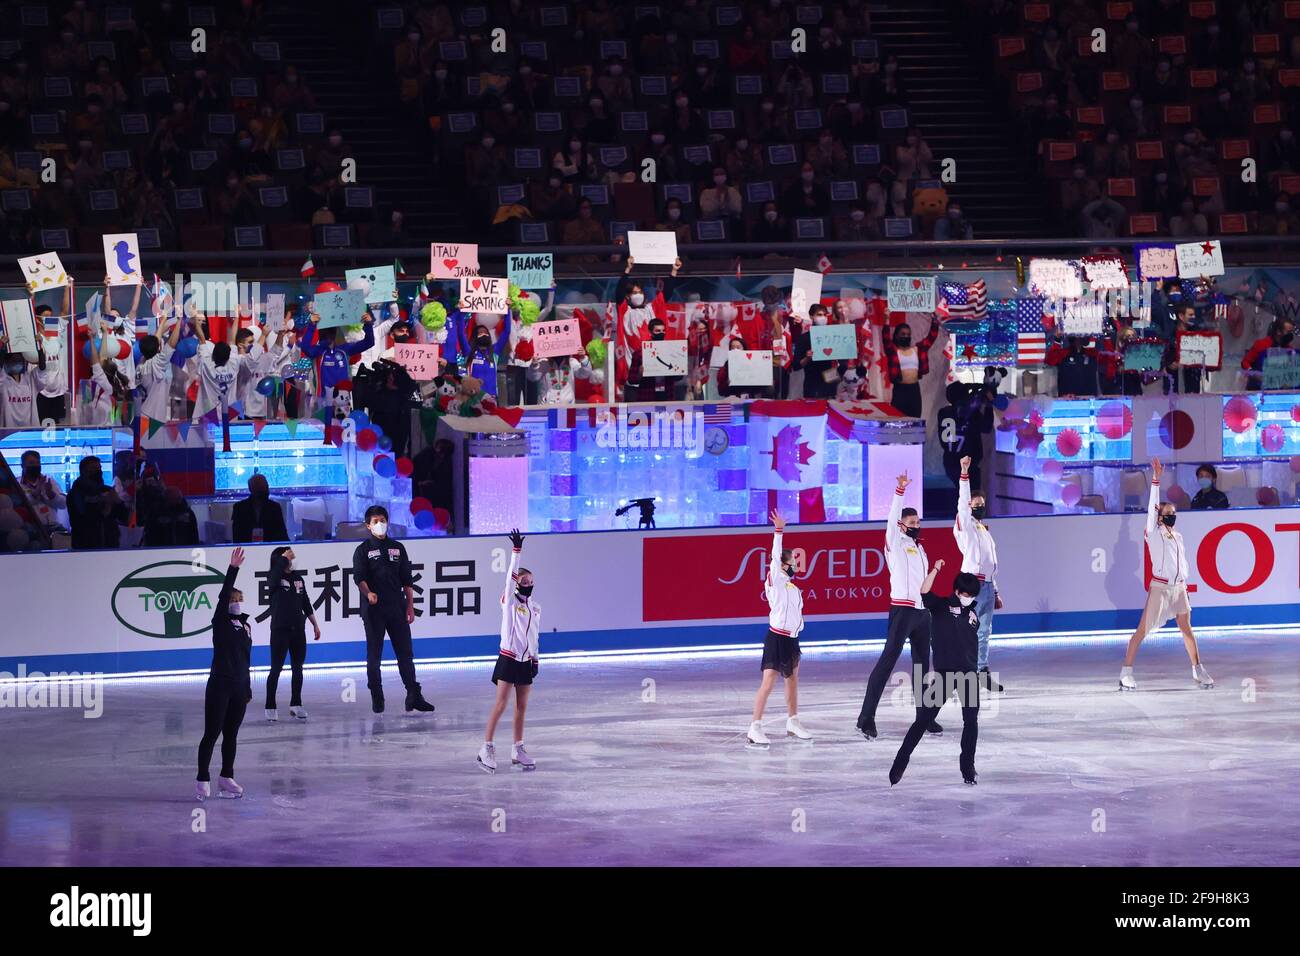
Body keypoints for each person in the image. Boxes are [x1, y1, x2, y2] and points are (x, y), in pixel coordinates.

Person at [856, 471, 939, 739]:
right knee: (887, 661)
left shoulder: (922, 549)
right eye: (912, 521)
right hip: (902, 610)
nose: (917, 524)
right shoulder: (895, 542)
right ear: (902, 525)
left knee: (922, 666)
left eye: (918, 521)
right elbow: (892, 518)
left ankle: (924, 717)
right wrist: (899, 491)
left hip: (922, 612)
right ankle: (866, 718)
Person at [1119, 458, 1214, 691]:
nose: (1172, 516)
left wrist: (1185, 588)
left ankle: (1197, 669)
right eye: (1168, 513)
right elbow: (1152, 507)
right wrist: (1156, 480)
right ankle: (1126, 672)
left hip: (1179, 588)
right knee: (1142, 630)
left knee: (1187, 629)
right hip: (1160, 589)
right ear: (1160, 517)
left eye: (1174, 513)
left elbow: (1182, 565)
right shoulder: (1153, 533)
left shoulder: (1178, 536)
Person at [890, 565, 981, 786]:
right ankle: (900, 762)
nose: (969, 598)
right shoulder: (941, 606)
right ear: (957, 591)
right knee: (923, 719)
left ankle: (967, 767)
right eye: (966, 594)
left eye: (972, 595)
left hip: (969, 674)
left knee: (970, 722)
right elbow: (924, 591)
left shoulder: (973, 613)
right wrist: (936, 570)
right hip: (945, 675)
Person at [352, 505, 434, 714]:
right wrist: (368, 593)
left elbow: (407, 579)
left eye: (382, 520)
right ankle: (377, 696)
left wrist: (410, 606)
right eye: (375, 521)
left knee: (405, 653)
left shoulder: (398, 547)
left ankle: (414, 695)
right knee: (374, 654)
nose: (380, 524)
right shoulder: (362, 550)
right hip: (373, 610)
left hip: (396, 607)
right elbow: (359, 578)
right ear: (368, 526)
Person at [746, 510, 812, 746]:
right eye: (793, 562)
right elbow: (775, 556)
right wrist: (779, 530)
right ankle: (755, 726)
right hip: (776, 638)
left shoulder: (793, 587)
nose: (797, 565)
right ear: (783, 564)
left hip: (792, 639)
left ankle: (793, 721)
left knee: (792, 680)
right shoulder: (775, 578)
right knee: (769, 682)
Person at [477, 529, 540, 773]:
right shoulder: (510, 604)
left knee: (521, 707)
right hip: (508, 659)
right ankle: (487, 747)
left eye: (531, 582)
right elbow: (509, 578)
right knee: (501, 704)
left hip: (525, 662)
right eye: (525, 582)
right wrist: (516, 553)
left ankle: (518, 749)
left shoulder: (535, 608)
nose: (529, 585)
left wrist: (535, 658)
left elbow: (535, 636)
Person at [196, 547, 252, 801]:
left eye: (238, 598)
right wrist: (233, 568)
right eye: (232, 600)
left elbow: (246, 659)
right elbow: (222, 596)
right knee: (212, 732)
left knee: (232, 733)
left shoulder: (246, 626)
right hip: (220, 684)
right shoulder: (220, 623)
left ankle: (226, 776)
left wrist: (248, 687)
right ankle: (202, 777)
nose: (236, 603)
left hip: (240, 686)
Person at [954, 456, 1003, 691]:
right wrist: (965, 473)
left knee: (984, 631)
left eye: (982, 503)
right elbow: (962, 504)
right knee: (967, 629)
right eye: (975, 504)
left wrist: (996, 590)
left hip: (987, 586)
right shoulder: (965, 525)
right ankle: (963, 672)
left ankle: (981, 670)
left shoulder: (983, 529)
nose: (979, 507)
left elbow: (991, 563)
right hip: (971, 585)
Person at [264, 545, 321, 721]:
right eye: (286, 555)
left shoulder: (298, 578)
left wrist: (314, 624)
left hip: (298, 630)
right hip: (280, 630)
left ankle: (296, 703)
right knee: (276, 669)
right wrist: (283, 559)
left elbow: (305, 602)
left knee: (298, 668)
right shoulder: (274, 577)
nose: (290, 557)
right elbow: (272, 580)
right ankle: (270, 705)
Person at [881, 315, 940, 418]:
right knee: (898, 419)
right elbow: (886, 339)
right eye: (903, 334)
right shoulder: (893, 351)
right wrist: (886, 319)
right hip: (899, 390)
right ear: (896, 336)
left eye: (908, 334)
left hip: (914, 390)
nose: (906, 336)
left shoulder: (917, 349)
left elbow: (931, 338)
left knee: (915, 419)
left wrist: (934, 321)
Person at [66, 455, 126, 549]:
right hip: (85, 546)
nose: (98, 471)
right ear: (84, 472)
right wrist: (106, 505)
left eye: (99, 468)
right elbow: (81, 519)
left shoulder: (107, 490)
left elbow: (124, 516)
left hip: (110, 545)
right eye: (94, 468)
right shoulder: (75, 493)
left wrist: (118, 501)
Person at [792, 304, 845, 399]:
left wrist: (836, 376)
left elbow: (843, 363)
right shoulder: (804, 339)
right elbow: (796, 366)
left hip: (830, 387)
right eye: (819, 315)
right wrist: (807, 358)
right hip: (812, 386)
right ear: (811, 316)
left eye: (825, 315)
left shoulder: (833, 336)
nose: (823, 317)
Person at [137, 314, 181, 422]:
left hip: (147, 413)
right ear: (157, 349)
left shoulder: (142, 364)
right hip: (151, 418)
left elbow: (155, 341)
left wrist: (163, 320)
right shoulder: (158, 362)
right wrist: (179, 321)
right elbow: (171, 343)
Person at [231, 473, 289, 543]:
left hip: (270, 548)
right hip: (247, 549)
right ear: (251, 489)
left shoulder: (274, 508)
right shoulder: (239, 508)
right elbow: (237, 537)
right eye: (261, 487)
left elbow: (282, 535)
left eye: (266, 487)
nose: (266, 490)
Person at [1240, 317, 1295, 390]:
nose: (1291, 335)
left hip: (1279, 392)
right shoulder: (1261, 344)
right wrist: (1253, 374)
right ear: (1278, 331)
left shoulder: (1290, 350)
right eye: (1288, 332)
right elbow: (1245, 362)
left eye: (1292, 332)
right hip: (1257, 390)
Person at [18, 450, 66, 533]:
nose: (36, 465)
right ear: (23, 466)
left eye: (38, 463)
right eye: (32, 463)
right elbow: (21, 505)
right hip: (31, 529)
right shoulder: (17, 484)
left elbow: (63, 504)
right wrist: (35, 493)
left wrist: (51, 494)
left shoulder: (49, 481)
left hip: (54, 527)